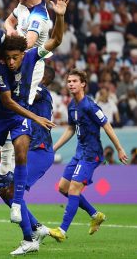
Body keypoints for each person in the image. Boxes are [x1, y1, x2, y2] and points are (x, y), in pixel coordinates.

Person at [0, 0, 69, 224]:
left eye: (15, 57)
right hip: (1, 116)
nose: (12, 62)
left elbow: (56, 41)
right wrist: (37, 117)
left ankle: (16, 204)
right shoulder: (0, 68)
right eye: (8, 58)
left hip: (18, 117)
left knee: (21, 154)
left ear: (23, 54)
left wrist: (59, 17)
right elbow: (8, 102)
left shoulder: (32, 56)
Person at [0, 0, 51, 188]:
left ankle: (9, 170)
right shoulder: (23, 8)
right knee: (6, 109)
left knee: (15, 109)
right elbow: (9, 21)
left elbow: (29, 44)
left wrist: (9, 43)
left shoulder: (39, 17)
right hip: (15, 63)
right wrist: (10, 32)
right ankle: (5, 169)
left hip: (31, 67)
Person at [48, 69, 128, 242]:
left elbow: (106, 125)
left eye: (75, 81)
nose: (71, 84)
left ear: (83, 83)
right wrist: (54, 148)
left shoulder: (90, 105)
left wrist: (120, 148)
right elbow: (70, 129)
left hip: (91, 154)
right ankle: (95, 214)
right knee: (63, 188)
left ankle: (62, 230)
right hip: (79, 152)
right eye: (69, 81)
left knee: (74, 188)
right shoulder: (72, 106)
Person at [0, 66, 55, 255]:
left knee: (10, 191)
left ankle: (29, 239)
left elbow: (16, 97)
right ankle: (36, 227)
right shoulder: (32, 93)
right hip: (29, 151)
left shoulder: (40, 92)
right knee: (5, 192)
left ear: (40, 76)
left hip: (39, 150)